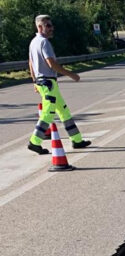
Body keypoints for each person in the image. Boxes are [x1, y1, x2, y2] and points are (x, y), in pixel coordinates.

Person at [27, 14, 90, 155]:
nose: (51, 28)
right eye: (48, 25)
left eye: (51, 25)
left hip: (43, 82)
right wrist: (71, 74)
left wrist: (34, 81)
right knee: (48, 114)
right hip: (48, 82)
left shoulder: (33, 42)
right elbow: (52, 64)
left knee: (63, 111)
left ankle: (77, 140)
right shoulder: (44, 42)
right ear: (39, 27)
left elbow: (30, 63)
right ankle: (34, 142)